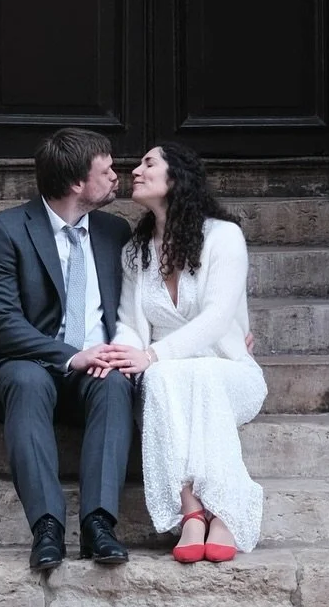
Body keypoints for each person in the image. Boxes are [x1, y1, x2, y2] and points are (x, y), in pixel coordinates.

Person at [0, 128, 135, 571]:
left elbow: (153, 297)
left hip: (95, 369)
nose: (117, 177)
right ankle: (47, 528)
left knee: (115, 383)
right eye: (106, 170)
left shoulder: (116, 231)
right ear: (78, 183)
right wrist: (69, 354)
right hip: (31, 362)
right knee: (25, 378)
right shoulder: (5, 230)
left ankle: (98, 525)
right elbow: (2, 323)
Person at [101, 142, 267, 561]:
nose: (135, 170)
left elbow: (216, 317)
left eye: (148, 163)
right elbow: (129, 324)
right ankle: (191, 511)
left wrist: (154, 355)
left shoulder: (223, 237)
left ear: (175, 178)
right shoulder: (136, 252)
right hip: (172, 381)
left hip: (230, 373)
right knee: (162, 377)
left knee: (197, 374)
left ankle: (226, 510)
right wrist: (121, 356)